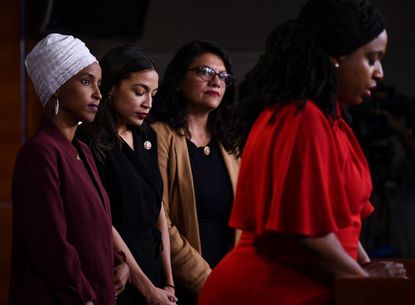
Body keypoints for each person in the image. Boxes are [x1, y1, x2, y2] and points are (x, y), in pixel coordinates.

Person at [198, 1, 407, 305]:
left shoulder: (329, 120)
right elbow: (306, 234)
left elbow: (345, 225)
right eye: (372, 59)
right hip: (269, 291)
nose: (379, 73)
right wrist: (364, 280)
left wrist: (364, 268)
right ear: (337, 57)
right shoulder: (301, 118)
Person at [9, 33, 116, 305]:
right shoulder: (39, 153)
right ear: (56, 85)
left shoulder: (83, 151)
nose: (98, 93)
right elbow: (51, 247)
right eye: (85, 81)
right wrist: (86, 298)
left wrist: (119, 262)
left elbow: (96, 228)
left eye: (99, 83)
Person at [78, 45, 177, 305]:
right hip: (119, 271)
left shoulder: (149, 136)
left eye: (153, 94)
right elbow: (103, 220)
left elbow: (159, 210)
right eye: (139, 91)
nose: (148, 103)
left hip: (154, 266)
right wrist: (147, 289)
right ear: (110, 88)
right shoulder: (89, 140)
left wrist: (168, 282)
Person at [150, 41, 240, 304]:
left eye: (223, 76)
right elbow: (161, 221)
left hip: (231, 283)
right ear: (179, 81)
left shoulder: (231, 145)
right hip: (182, 286)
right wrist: (206, 281)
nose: (216, 81)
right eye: (205, 72)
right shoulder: (159, 135)